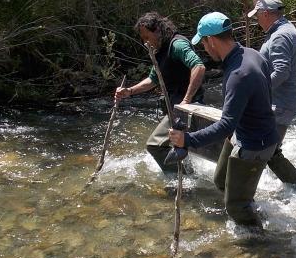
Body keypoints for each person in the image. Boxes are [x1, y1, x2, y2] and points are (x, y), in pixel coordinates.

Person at [168, 12, 280, 228]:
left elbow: (225, 125)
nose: (205, 49)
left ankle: (262, 244)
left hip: (255, 144)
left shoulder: (239, 74)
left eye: (203, 43)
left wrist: (187, 140)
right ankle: (250, 205)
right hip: (247, 132)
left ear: (211, 40)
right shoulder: (251, 54)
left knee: (235, 206)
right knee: (220, 181)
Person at [236, 0, 296, 185]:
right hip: (280, 103)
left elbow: (282, 72)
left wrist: (258, 92)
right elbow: (263, 3)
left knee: (265, 151)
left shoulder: (280, 37)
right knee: (271, 150)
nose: (256, 19)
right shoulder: (282, 24)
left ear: (266, 15)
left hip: (279, 105)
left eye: (257, 15)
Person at [115, 12, 205, 172]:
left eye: (147, 37)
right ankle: (187, 173)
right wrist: (129, 91)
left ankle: (180, 179)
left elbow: (198, 66)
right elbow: (152, 80)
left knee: (154, 145)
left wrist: (186, 101)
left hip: (187, 108)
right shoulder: (160, 50)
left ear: (157, 30)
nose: (145, 42)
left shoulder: (177, 45)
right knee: (171, 144)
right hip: (175, 107)